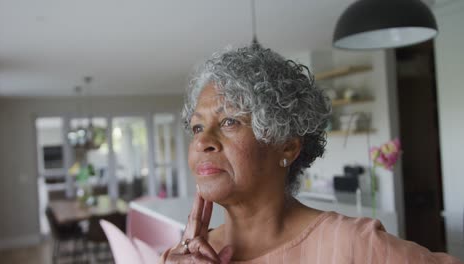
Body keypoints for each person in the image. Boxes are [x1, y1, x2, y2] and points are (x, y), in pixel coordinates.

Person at [160, 44, 462, 263]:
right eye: (198, 128)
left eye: (229, 122)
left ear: (288, 146)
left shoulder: (354, 247)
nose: (202, 142)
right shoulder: (182, 258)